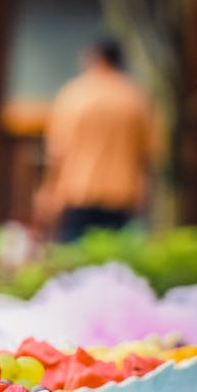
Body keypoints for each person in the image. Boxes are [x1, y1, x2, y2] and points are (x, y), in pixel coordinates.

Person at [36, 38, 156, 243]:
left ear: (95, 59)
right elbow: (149, 152)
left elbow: (57, 150)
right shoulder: (136, 98)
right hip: (123, 193)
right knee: (115, 261)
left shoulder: (75, 94)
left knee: (73, 259)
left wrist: (48, 190)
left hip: (78, 190)